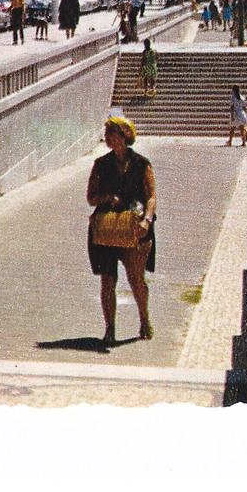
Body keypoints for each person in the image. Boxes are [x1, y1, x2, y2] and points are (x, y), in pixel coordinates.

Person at [87, 116, 157, 346]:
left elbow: (151, 198)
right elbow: (91, 198)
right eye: (106, 134)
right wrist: (107, 197)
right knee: (108, 281)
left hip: (135, 227)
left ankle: (144, 319)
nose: (107, 138)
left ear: (125, 136)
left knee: (136, 278)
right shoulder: (101, 164)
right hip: (108, 229)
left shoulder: (141, 164)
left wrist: (147, 220)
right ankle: (110, 329)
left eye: (112, 133)